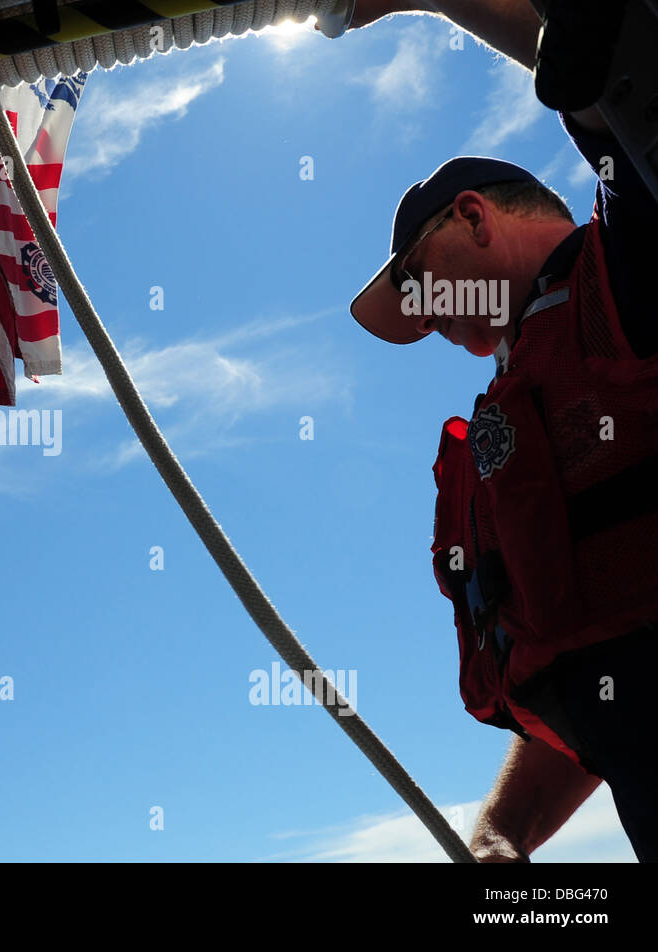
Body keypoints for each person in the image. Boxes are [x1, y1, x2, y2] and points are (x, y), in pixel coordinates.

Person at [344, 2, 658, 861]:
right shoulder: (534, 373)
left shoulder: (627, 274)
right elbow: (602, 662)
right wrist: (504, 834)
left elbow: (633, 104)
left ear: (476, 219)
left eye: (418, 283)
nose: (423, 317)